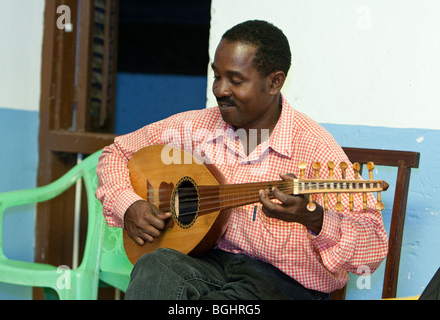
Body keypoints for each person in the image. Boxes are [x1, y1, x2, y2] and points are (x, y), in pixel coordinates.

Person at [96, 20, 388, 300]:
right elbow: (117, 152)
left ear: (275, 82)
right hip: (209, 262)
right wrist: (128, 205)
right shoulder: (196, 128)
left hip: (283, 284)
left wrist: (313, 218)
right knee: (155, 267)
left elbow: (373, 247)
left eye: (236, 80)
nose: (220, 90)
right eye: (217, 76)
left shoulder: (314, 148)